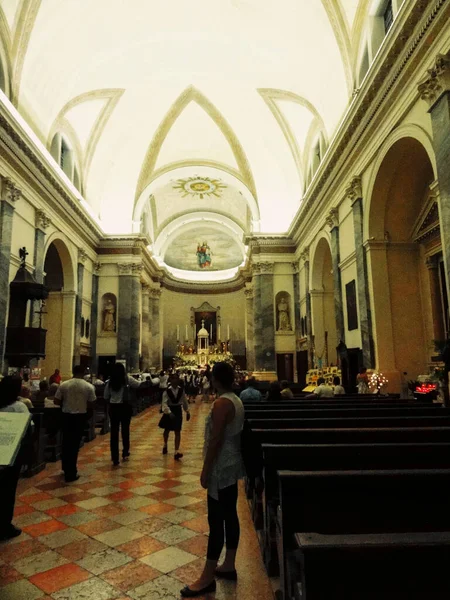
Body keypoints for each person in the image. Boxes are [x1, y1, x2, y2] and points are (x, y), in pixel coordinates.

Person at [181, 362, 245, 597]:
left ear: (216, 380)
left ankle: (206, 578)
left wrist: (206, 469)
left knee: (216, 520)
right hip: (232, 463)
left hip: (221, 466)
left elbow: (216, 439)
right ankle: (228, 563)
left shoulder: (221, 403)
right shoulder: (236, 400)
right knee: (230, 514)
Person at [0, 376, 32, 541]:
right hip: (10, 452)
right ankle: (4, 525)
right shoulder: (19, 407)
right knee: (7, 490)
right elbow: (29, 428)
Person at [54, 365, 96, 482]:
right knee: (74, 445)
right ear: (83, 373)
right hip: (80, 417)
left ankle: (65, 467)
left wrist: (66, 403)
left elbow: (56, 401)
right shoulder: (88, 386)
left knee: (66, 442)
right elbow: (92, 403)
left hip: (66, 416)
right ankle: (71, 472)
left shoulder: (64, 385)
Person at [104, 363, 141, 466]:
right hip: (125, 407)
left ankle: (115, 457)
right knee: (125, 430)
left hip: (114, 408)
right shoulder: (127, 379)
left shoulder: (110, 382)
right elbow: (138, 384)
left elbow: (106, 396)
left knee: (114, 433)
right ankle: (125, 452)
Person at [159, 372, 190, 460]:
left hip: (177, 410)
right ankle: (165, 444)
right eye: (173, 379)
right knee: (167, 430)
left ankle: (176, 451)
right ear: (171, 380)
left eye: (177, 378)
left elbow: (184, 401)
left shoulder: (181, 390)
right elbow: (164, 404)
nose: (175, 380)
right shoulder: (167, 391)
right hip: (169, 410)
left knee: (177, 431)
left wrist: (187, 411)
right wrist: (169, 412)